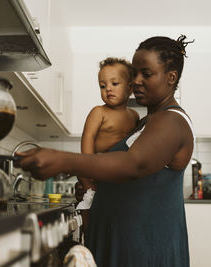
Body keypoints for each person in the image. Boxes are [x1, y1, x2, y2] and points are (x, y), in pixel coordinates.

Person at [16, 35, 194, 267]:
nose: (136, 81)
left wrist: (64, 160)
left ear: (171, 77)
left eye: (146, 74)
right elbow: (123, 174)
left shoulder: (173, 121)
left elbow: (134, 164)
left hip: (144, 249)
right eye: (134, 73)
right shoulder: (144, 122)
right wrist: (96, 186)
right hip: (120, 243)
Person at [77, 57, 139, 233]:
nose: (108, 89)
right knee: (92, 217)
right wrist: (88, 174)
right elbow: (87, 139)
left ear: (130, 87)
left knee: (116, 221)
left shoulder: (134, 116)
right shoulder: (99, 112)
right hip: (95, 171)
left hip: (118, 178)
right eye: (102, 86)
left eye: (114, 83)